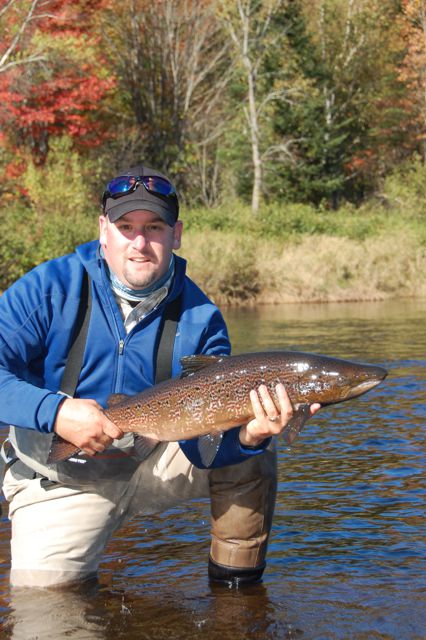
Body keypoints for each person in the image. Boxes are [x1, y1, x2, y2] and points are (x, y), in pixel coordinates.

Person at [0, 164, 320, 589]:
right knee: (45, 613)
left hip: (157, 460)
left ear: (176, 233)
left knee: (256, 447)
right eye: (125, 226)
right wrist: (55, 412)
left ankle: (235, 596)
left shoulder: (202, 319)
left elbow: (204, 448)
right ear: (103, 230)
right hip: (61, 480)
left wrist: (248, 437)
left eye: (154, 227)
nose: (139, 242)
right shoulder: (48, 289)